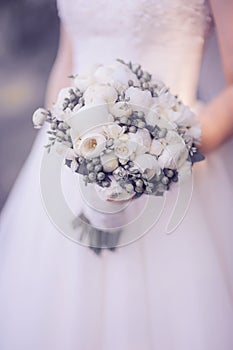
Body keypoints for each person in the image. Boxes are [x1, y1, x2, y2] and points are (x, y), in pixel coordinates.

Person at [0, 1, 233, 349]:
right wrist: (67, 147)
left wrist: (163, 154)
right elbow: (68, 62)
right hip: (74, 161)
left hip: (176, 169)